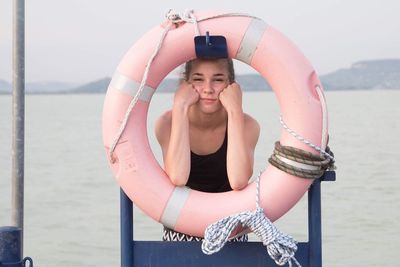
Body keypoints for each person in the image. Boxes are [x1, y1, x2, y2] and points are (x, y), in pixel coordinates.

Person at [155, 58, 260, 241]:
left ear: (230, 85)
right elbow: (178, 177)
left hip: (230, 234)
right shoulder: (166, 124)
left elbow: (238, 180)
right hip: (180, 233)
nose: (208, 89)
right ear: (186, 84)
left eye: (218, 79)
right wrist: (180, 107)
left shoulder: (249, 125)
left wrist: (235, 110)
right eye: (198, 79)